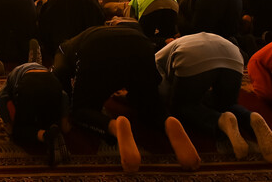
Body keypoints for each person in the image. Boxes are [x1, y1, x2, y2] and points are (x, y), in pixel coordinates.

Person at [53, 24, 200, 173]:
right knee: (149, 106)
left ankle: (115, 127)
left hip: (96, 50)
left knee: (80, 111)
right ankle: (166, 121)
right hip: (140, 43)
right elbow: (148, 80)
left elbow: (60, 73)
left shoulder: (63, 49)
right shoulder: (91, 32)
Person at [157, 32, 272, 161]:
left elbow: (162, 88)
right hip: (233, 56)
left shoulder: (158, 56)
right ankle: (250, 118)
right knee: (226, 104)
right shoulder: (187, 39)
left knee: (181, 106)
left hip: (192, 57)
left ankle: (219, 120)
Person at [0, 62, 70, 166]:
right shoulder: (45, 70)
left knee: (18, 131)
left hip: (29, 84)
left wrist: (8, 124)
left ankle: (46, 136)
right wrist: (64, 123)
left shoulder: (12, 75)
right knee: (46, 118)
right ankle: (54, 127)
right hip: (53, 82)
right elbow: (64, 96)